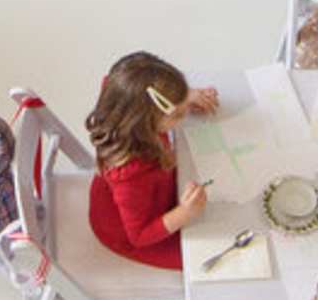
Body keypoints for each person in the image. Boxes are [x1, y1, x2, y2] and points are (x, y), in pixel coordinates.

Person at [82, 50, 223, 267]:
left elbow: (112, 79)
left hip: (144, 196)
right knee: (213, 257)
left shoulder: (121, 97)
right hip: (136, 231)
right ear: (143, 121)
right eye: (177, 115)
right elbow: (139, 236)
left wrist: (185, 97)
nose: (184, 113)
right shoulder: (130, 176)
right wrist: (184, 213)